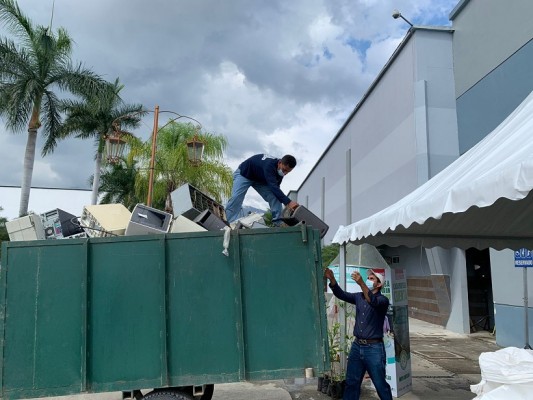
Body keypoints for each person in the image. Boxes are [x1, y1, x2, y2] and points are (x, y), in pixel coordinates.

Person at [324, 268, 393, 400]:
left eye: (372, 279)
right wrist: (332, 280)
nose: (368, 280)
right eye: (368, 278)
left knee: (380, 384)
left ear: (379, 284)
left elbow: (372, 301)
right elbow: (341, 294)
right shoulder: (359, 297)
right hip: (357, 346)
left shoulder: (383, 300)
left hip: (374, 349)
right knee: (352, 383)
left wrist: (361, 283)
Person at [225, 154, 299, 224]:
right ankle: (227, 223)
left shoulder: (280, 173)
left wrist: (285, 203)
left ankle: (278, 223)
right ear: (280, 162)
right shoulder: (269, 166)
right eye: (284, 170)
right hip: (244, 174)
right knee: (236, 197)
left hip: (260, 180)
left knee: (275, 196)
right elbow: (273, 186)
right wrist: (288, 202)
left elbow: (276, 190)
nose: (285, 173)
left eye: (288, 172)